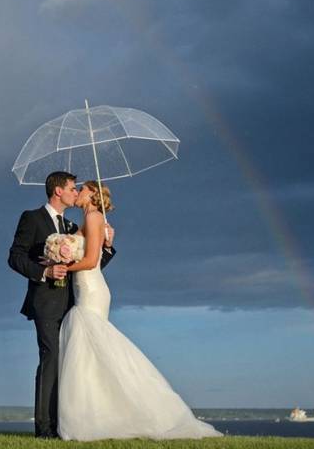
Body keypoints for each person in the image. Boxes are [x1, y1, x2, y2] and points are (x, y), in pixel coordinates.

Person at [56, 180, 222, 440]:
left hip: (91, 289)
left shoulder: (95, 218)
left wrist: (65, 267)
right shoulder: (88, 220)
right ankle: (96, 413)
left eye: (81, 188)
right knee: (91, 351)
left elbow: (89, 261)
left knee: (92, 343)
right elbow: (85, 249)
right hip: (84, 288)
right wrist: (59, 249)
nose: (76, 192)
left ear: (92, 194)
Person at [8, 171, 115, 439]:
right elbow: (15, 257)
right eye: (71, 188)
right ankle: (44, 429)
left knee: (68, 362)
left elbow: (89, 266)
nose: (75, 192)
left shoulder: (70, 227)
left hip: (73, 302)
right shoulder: (31, 218)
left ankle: (64, 424)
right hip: (44, 301)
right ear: (58, 191)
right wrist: (45, 272)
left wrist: (107, 246)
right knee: (50, 358)